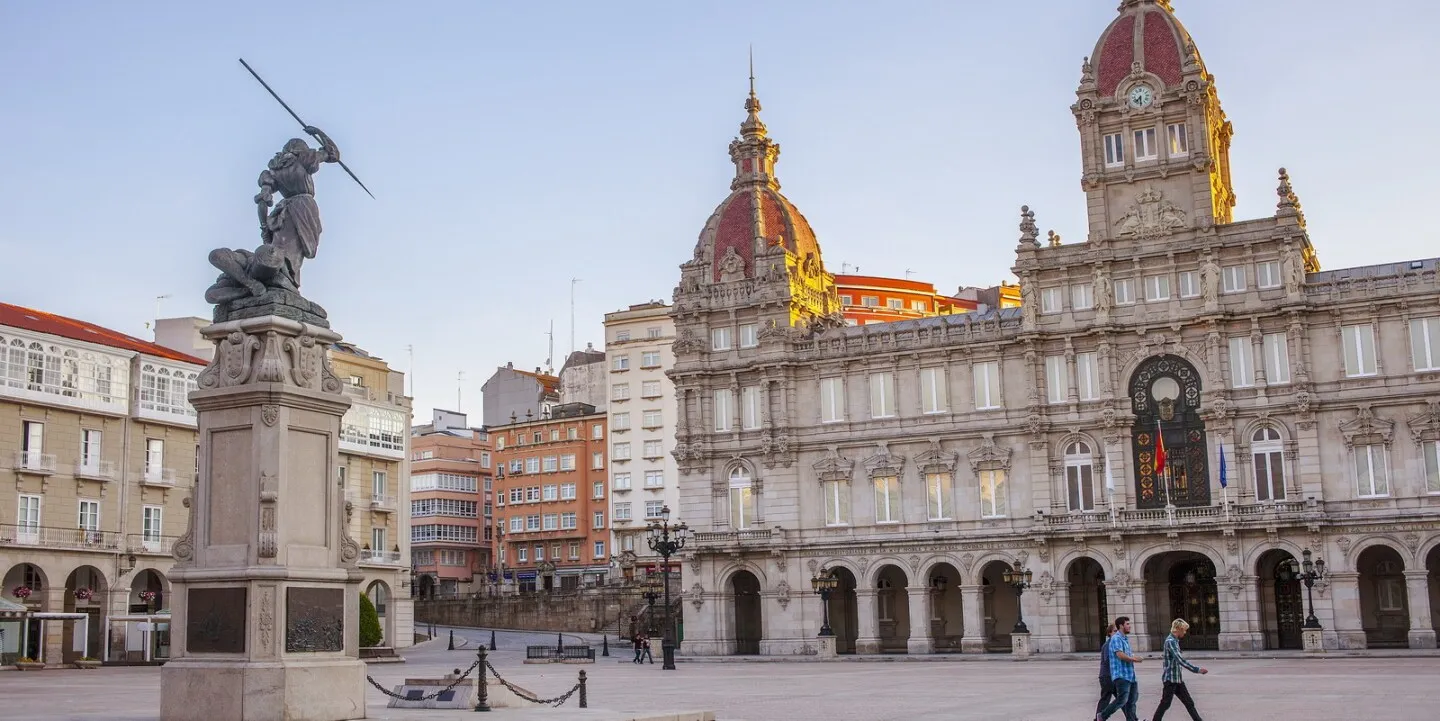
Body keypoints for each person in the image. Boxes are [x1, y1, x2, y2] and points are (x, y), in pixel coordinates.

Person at [1153, 618, 1208, 721]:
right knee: (1165, 703)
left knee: (1189, 702)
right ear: (1178, 629)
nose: (1185, 632)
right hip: (1170, 679)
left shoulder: (1175, 641)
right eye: (1184, 629)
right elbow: (1180, 660)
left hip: (1177, 679)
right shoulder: (1170, 641)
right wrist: (1197, 670)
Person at [1098, 616, 1144, 721]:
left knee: (1132, 701)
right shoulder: (1116, 638)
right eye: (1127, 624)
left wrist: (1133, 658)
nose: (1129, 626)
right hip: (1121, 675)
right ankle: (1102, 715)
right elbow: (1120, 655)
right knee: (1122, 700)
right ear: (1121, 626)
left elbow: (1126, 654)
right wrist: (1135, 659)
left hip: (1130, 675)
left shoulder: (1125, 639)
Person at [1094, 623, 1118, 720]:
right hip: (1107, 677)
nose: (1117, 634)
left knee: (1123, 699)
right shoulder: (1109, 645)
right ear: (1109, 633)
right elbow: (1107, 659)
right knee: (1106, 699)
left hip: (1113, 676)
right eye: (1115, 631)